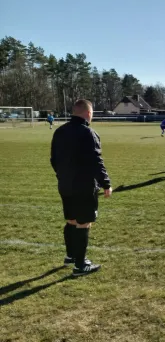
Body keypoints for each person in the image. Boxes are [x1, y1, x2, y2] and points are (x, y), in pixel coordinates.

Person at [50, 99, 111, 277]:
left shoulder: (59, 131)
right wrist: (106, 183)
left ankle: (70, 256)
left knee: (71, 220)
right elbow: (96, 161)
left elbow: (54, 159)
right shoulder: (88, 133)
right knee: (84, 223)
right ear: (88, 113)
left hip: (65, 185)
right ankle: (80, 265)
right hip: (84, 186)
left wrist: (62, 176)